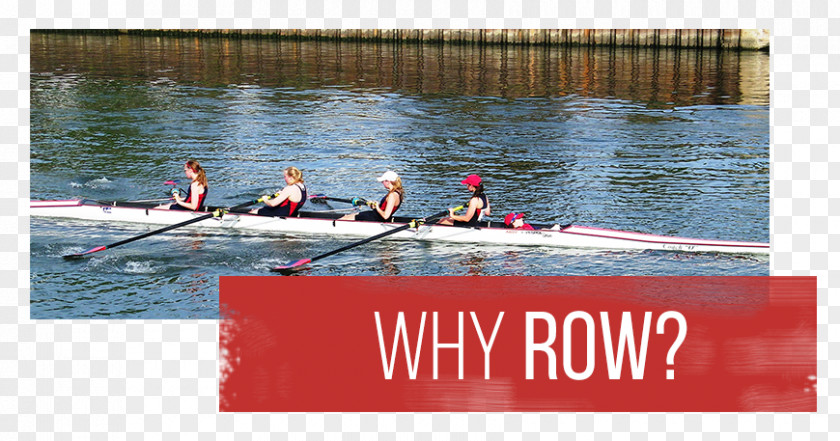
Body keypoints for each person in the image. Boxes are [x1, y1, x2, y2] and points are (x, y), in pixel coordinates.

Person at [340, 170, 404, 222]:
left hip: (377, 218)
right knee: (348, 216)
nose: (382, 183)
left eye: (383, 181)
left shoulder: (392, 196)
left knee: (345, 218)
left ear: (388, 181)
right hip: (376, 216)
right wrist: (376, 206)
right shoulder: (398, 193)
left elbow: (385, 216)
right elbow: (384, 209)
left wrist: (377, 207)